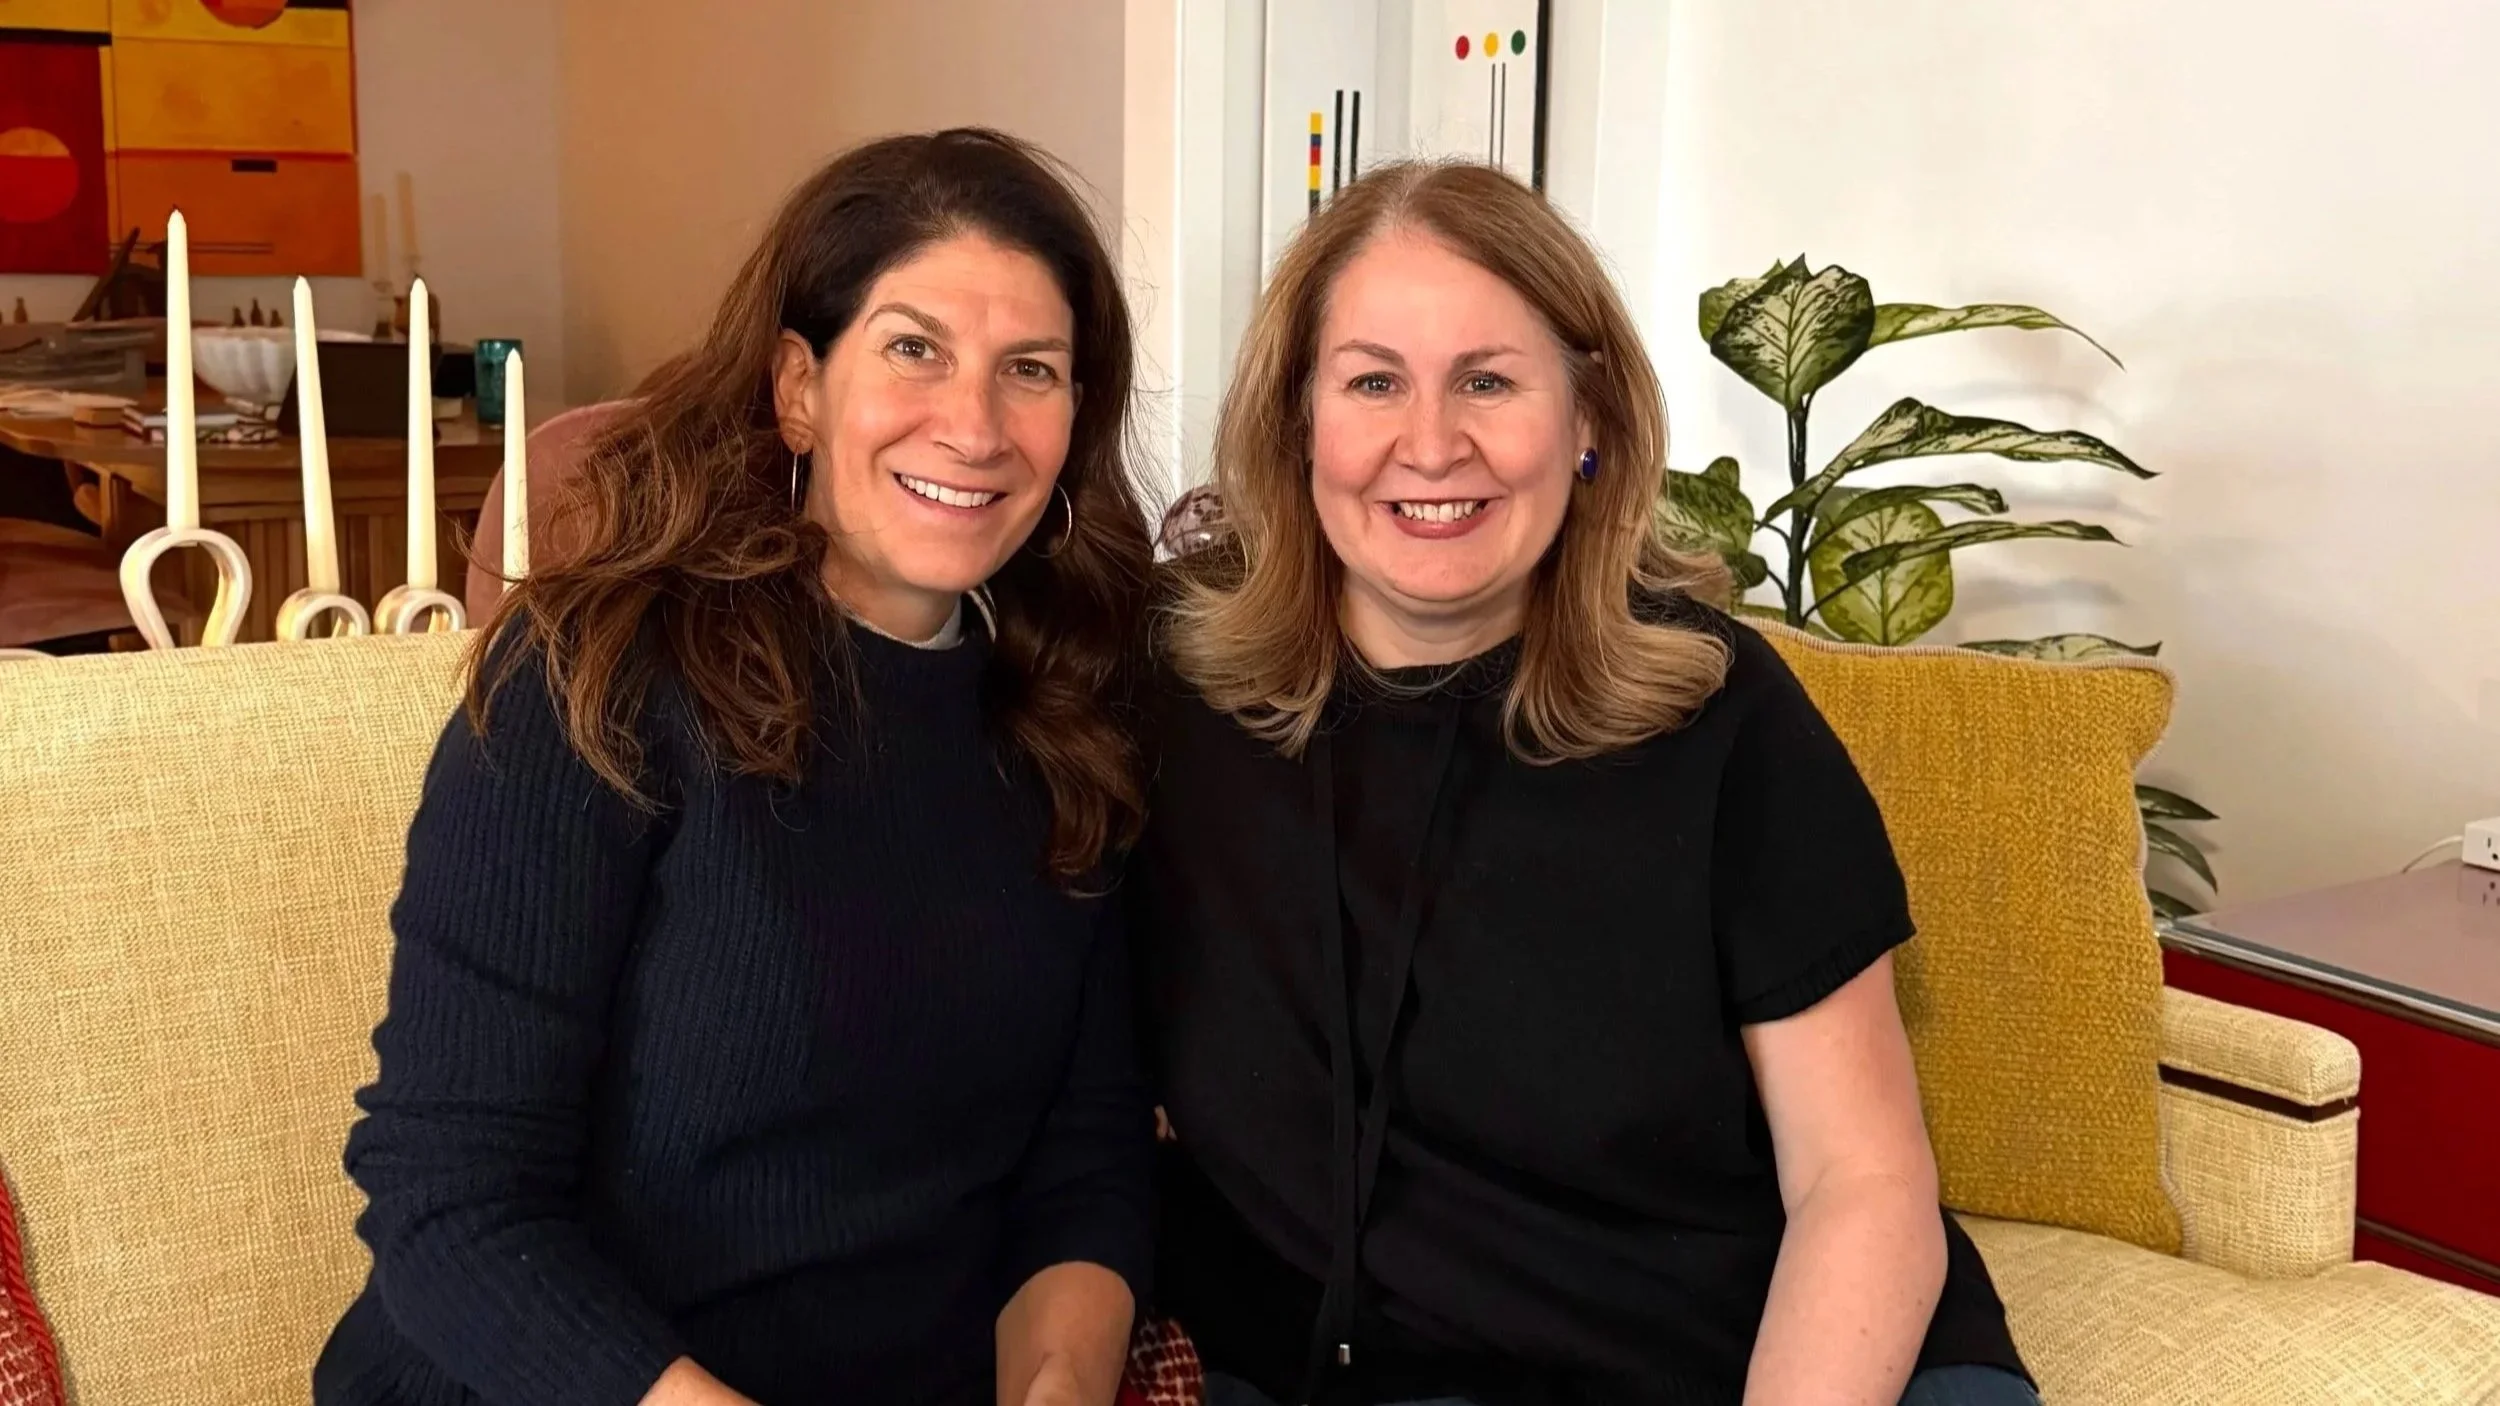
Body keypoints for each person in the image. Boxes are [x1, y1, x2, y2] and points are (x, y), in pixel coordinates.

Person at [1131, 160, 2038, 1406]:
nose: (1429, 443)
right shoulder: (1174, 689)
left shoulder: (1720, 711)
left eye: (1488, 381)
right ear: (1298, 422)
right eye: (1373, 381)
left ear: (1588, 418)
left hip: (1778, 1345)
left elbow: (1860, 1179)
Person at [315, 129, 1156, 1406]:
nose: (974, 425)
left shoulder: (1070, 716)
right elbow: (452, 1198)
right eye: (914, 349)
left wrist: (1058, 1380)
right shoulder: (592, 677)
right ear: (798, 387)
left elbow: (1082, 1160)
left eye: (1028, 369)